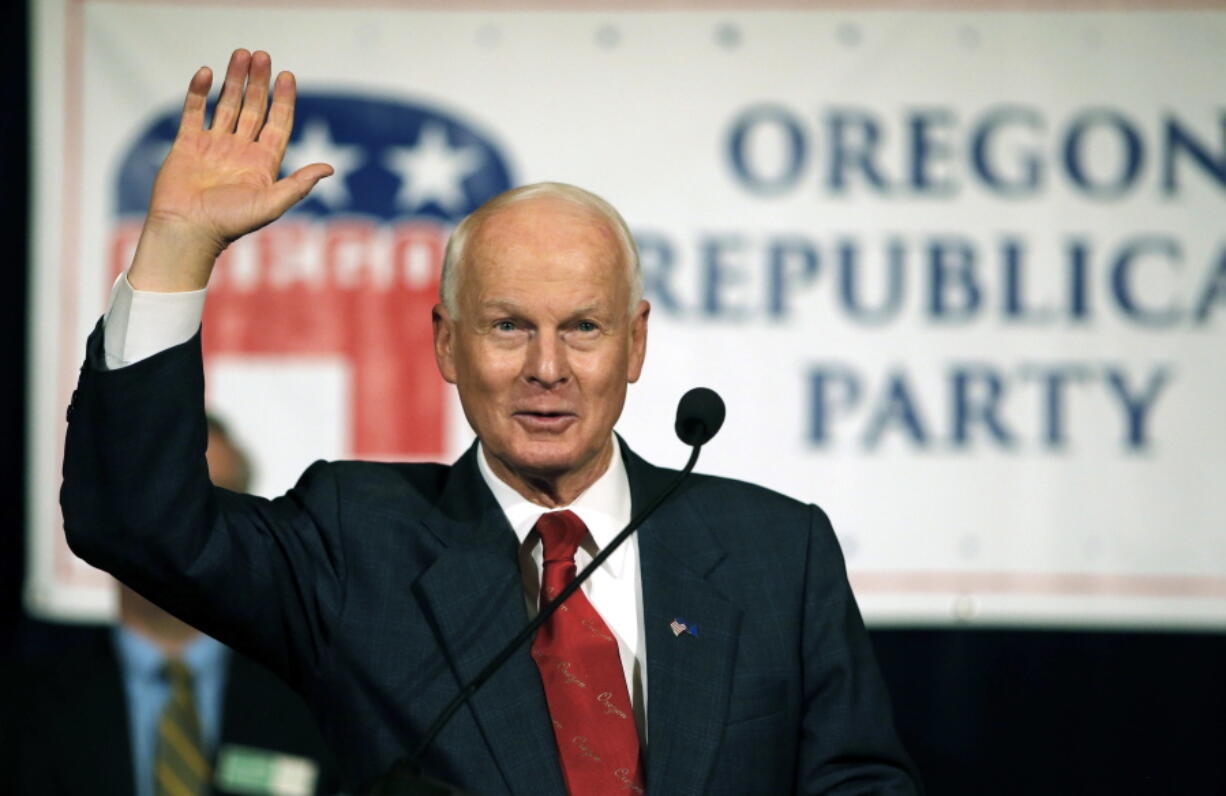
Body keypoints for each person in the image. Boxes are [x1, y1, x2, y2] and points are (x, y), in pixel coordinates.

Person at [61, 49, 921, 794]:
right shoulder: (358, 543)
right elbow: (142, 525)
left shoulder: (779, 554)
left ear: (635, 342)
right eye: (509, 326)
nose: (547, 368)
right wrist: (175, 248)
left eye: (582, 327)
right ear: (447, 343)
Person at [20, 417, 341, 796]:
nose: (188, 531)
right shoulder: (19, 701)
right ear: (110, 518)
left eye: (218, 501)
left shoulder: (318, 702)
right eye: (162, 499)